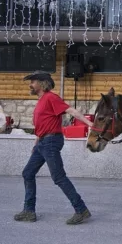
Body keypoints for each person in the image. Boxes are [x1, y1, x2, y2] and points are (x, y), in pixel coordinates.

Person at [14, 71, 95, 225]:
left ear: (42, 83)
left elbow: (71, 110)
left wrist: (89, 124)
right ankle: (29, 211)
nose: (30, 85)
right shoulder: (42, 100)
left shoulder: (51, 97)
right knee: (28, 173)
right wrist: (37, 142)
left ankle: (81, 210)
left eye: (33, 82)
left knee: (58, 177)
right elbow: (43, 124)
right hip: (43, 142)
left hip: (51, 142)